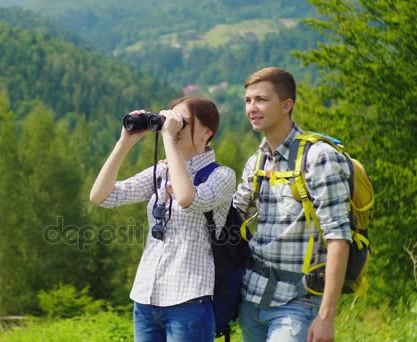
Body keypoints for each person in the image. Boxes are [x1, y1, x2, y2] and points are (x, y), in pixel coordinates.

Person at [90, 96, 236, 342]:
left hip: (188, 300)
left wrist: (168, 137)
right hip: (146, 298)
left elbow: (188, 198)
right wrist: (124, 142)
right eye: (170, 119)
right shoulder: (160, 172)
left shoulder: (222, 176)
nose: (174, 126)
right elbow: (102, 196)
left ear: (207, 132)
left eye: (182, 122)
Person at [233, 67, 351, 342]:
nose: (252, 108)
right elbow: (233, 216)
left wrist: (326, 316)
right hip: (252, 300)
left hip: (297, 303)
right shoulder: (258, 161)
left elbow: (338, 237)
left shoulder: (319, 158)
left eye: (261, 100)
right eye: (248, 100)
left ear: (287, 105)